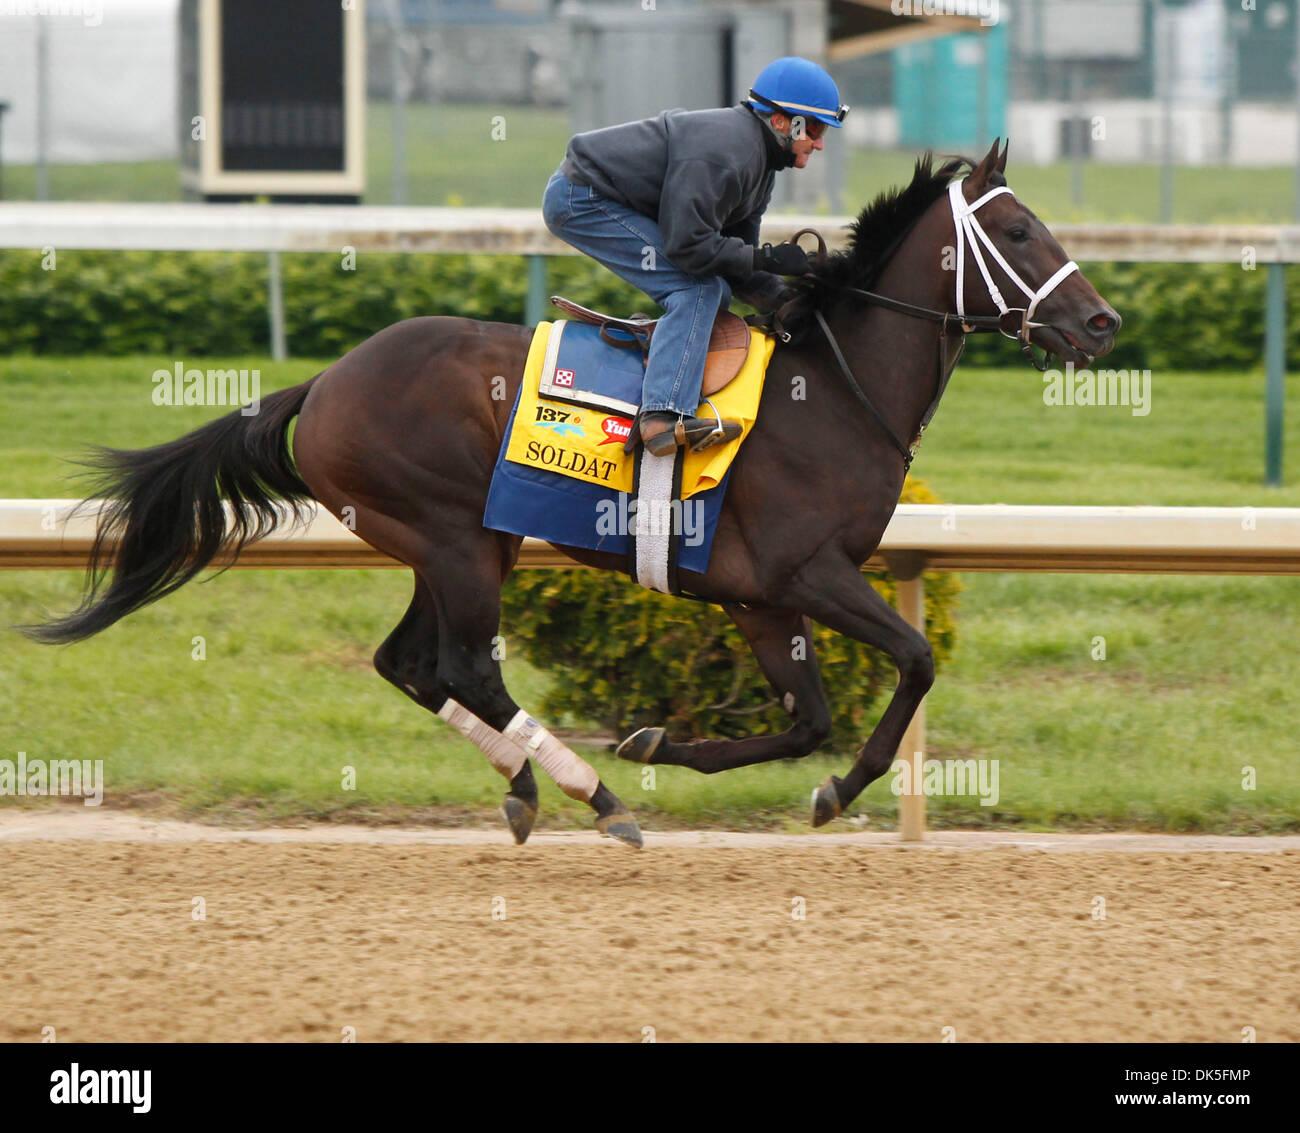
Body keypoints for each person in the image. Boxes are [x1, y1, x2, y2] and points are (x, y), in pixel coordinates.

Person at [541, 56, 848, 456]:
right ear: (782, 122)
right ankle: (660, 418)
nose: (821, 143)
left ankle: (663, 354)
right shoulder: (726, 151)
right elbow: (688, 247)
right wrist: (769, 258)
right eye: (818, 129)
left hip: (606, 197)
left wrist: (790, 301)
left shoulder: (760, 166)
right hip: (580, 198)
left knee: (714, 289)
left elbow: (735, 263)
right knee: (697, 291)